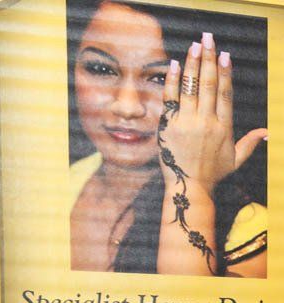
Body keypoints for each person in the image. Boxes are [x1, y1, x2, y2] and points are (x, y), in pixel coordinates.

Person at [68, 0, 268, 276]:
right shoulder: (53, 185)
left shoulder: (250, 228)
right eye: (102, 69)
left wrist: (191, 186)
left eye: (161, 79)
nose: (127, 107)